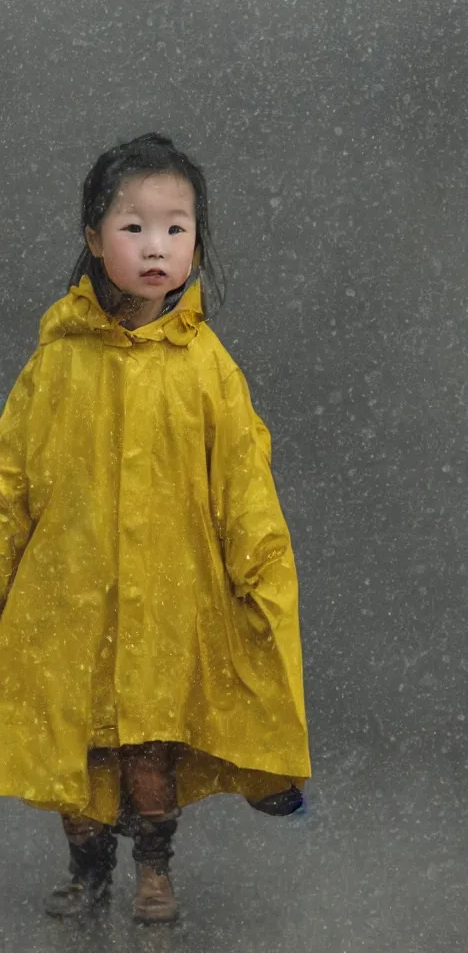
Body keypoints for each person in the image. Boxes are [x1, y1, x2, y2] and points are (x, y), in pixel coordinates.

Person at [0, 133, 310, 924]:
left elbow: (245, 487)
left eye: (176, 227)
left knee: (148, 749)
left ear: (198, 241)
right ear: (92, 237)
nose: (155, 247)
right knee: (78, 752)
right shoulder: (56, 363)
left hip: (169, 602)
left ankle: (155, 869)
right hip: (67, 600)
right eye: (133, 226)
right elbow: (11, 484)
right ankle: (86, 868)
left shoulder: (207, 367)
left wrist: (260, 583)